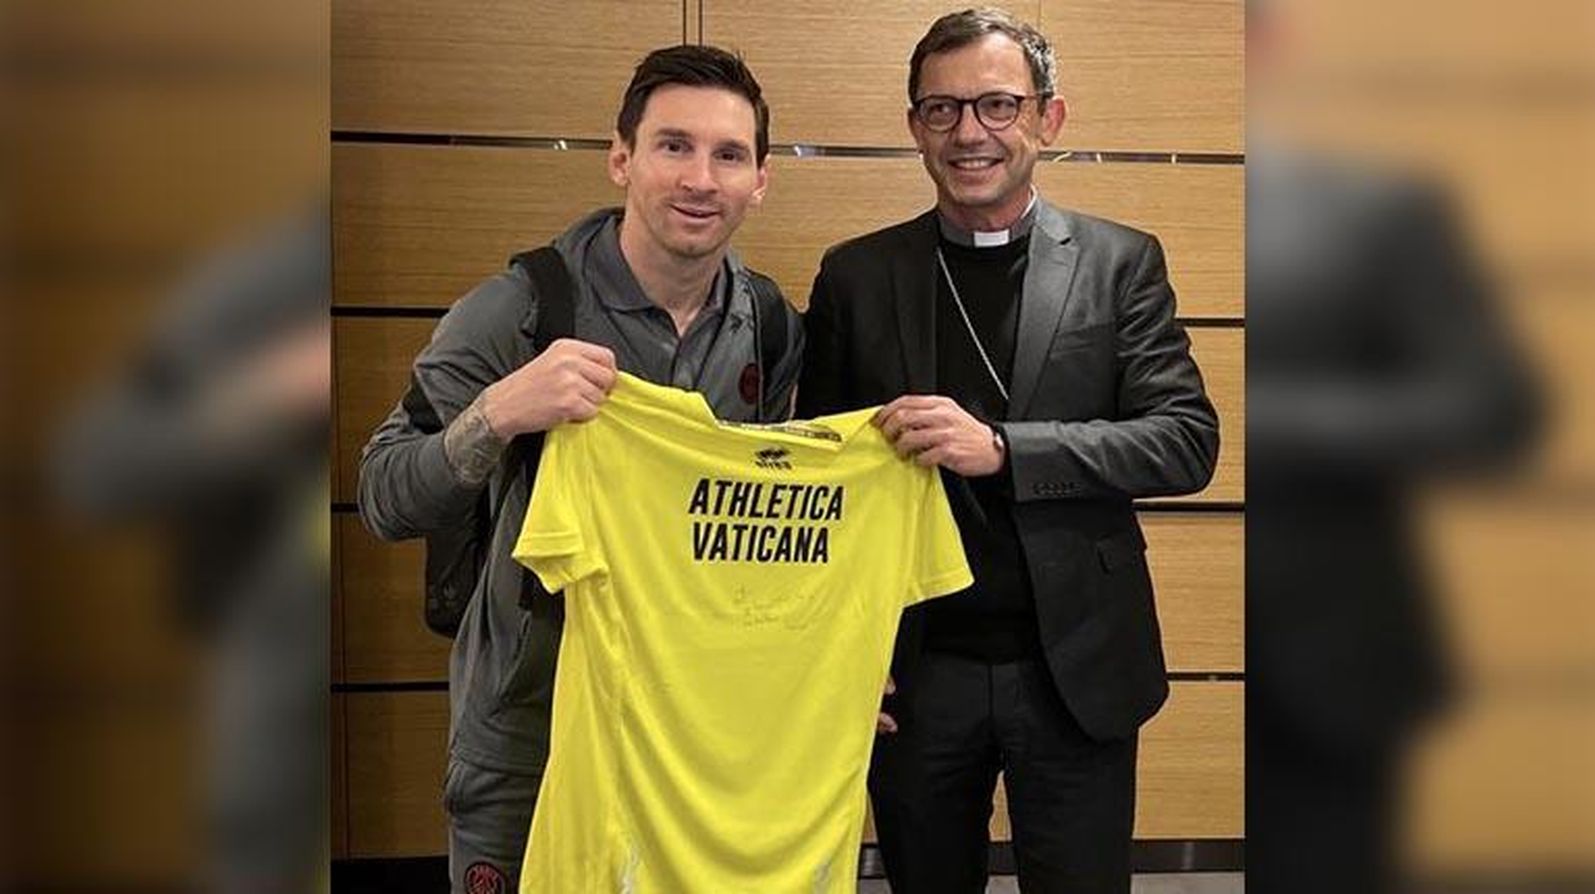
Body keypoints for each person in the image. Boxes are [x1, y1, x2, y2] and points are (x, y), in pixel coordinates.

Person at [357, 45, 802, 894]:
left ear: (760, 179)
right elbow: (382, 495)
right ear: (621, 157)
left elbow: (766, 531)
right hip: (531, 732)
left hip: (690, 735)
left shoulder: (770, 327)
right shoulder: (516, 312)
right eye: (674, 145)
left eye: (728, 154)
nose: (700, 178)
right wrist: (498, 415)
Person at [797, 9, 1219, 892]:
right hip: (914, 673)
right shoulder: (856, 276)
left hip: (1074, 667)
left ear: (1046, 119)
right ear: (915, 126)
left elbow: (1185, 443)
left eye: (997, 105)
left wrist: (1005, 448)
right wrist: (832, 656)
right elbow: (817, 491)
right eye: (942, 110)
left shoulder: (1120, 262)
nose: (970, 133)